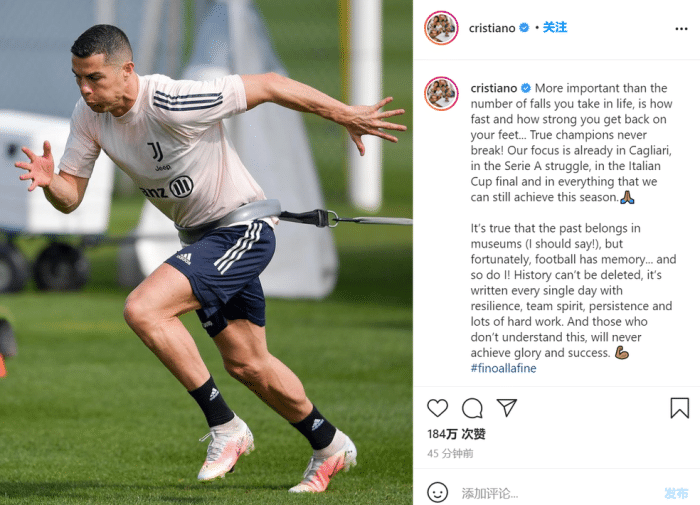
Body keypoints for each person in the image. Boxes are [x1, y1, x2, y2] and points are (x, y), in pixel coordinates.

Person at [15, 24, 406, 493]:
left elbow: (270, 85)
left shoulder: (171, 101)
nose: (84, 88)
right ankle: (330, 445)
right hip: (201, 242)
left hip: (242, 231)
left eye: (94, 77)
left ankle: (226, 426)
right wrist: (51, 182)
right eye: (78, 77)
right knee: (248, 364)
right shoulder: (88, 115)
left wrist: (344, 113)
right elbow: (71, 197)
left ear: (126, 71)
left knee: (144, 309)